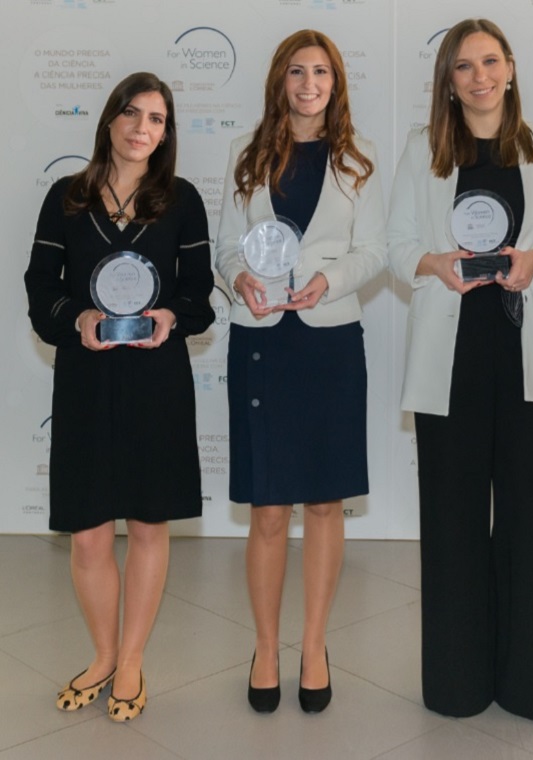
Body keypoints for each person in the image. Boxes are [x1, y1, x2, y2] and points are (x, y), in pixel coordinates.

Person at [387, 19, 533, 721]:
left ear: (509, 69)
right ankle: (457, 685)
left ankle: (526, 686)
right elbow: (397, 245)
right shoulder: (424, 150)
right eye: (464, 66)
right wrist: (433, 263)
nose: (479, 77)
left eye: (490, 62)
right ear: (448, 79)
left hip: (525, 352)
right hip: (451, 357)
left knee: (527, 524)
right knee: (451, 522)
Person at [25, 72, 215, 721]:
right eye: (132, 113)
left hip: (157, 380)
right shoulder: (66, 198)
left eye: (157, 118)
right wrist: (75, 319)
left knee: (148, 522)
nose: (142, 128)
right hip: (86, 376)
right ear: (110, 119)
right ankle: (102, 653)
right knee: (87, 536)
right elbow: (39, 284)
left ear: (166, 133)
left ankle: (131, 659)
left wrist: (171, 319)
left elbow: (198, 293)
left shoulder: (182, 200)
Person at [215, 29, 386, 715]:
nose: (308, 84)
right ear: (280, 82)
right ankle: (265, 646)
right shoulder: (246, 154)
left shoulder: (359, 159)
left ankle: (313, 645)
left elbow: (372, 252)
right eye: (296, 72)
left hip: (328, 340)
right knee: (266, 509)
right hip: (260, 341)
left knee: (322, 502)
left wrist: (327, 280)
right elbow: (228, 245)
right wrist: (238, 280)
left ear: (336, 82)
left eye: (321, 72)